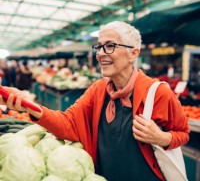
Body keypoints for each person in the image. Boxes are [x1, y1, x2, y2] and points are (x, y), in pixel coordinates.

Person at [0, 21, 190, 181]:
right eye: (99, 46)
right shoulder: (98, 90)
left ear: (133, 53)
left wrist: (163, 138)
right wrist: (29, 106)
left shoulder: (158, 93)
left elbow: (183, 133)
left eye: (109, 46)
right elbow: (68, 123)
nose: (100, 53)